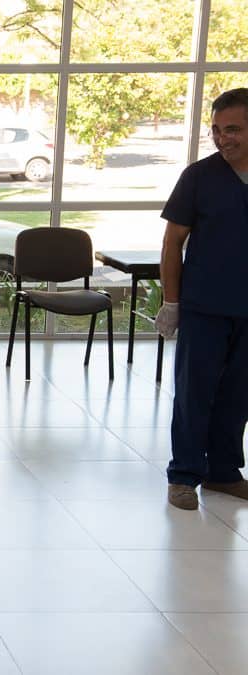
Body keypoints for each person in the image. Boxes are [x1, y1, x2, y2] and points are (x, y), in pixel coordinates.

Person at [156, 87, 248, 510]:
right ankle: (184, 474)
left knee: (239, 394)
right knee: (194, 392)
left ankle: (224, 473)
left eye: (233, 129)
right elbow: (173, 241)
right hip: (204, 307)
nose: (223, 138)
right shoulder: (199, 176)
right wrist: (171, 302)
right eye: (216, 130)